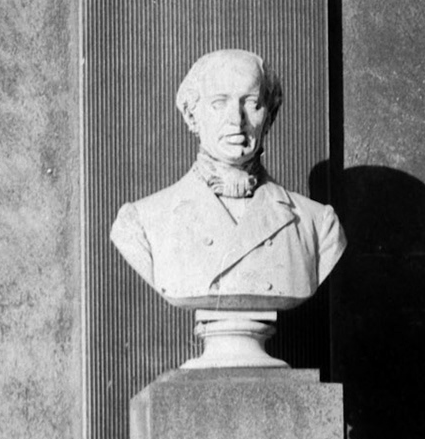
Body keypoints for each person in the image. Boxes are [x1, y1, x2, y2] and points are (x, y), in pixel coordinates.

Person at [109, 49, 344, 310]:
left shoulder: (319, 225)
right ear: (191, 115)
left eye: (251, 103)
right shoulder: (142, 222)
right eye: (219, 103)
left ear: (269, 116)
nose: (236, 119)